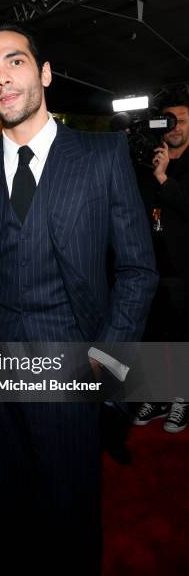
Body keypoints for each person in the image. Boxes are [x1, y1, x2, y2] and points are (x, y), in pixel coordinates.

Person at [0, 23, 158, 575]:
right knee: (8, 517)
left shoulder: (102, 155)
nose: (0, 78)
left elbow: (137, 270)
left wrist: (108, 371)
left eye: (14, 62)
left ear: (43, 73)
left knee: (71, 520)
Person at [134, 89, 189, 432]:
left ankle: (182, 398)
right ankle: (156, 395)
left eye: (181, 120)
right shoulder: (149, 157)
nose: (174, 127)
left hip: (184, 267)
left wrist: (165, 178)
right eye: (168, 121)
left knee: (183, 336)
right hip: (151, 266)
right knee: (152, 335)